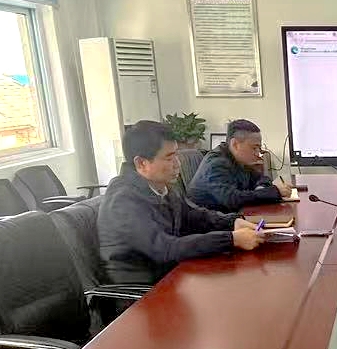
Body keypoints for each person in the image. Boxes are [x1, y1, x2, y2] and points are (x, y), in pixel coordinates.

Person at [99, 120, 265, 285]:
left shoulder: (161, 186)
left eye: (176, 155)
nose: (177, 164)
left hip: (171, 275)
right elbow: (166, 248)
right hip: (143, 291)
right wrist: (231, 239)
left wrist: (232, 222)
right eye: (169, 158)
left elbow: (193, 216)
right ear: (142, 163)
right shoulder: (123, 201)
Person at [187, 119, 294, 212]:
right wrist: (275, 191)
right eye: (254, 148)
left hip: (231, 217)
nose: (258, 153)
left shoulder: (239, 159)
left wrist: (261, 188)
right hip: (210, 224)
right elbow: (232, 200)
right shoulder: (216, 164)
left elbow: (262, 178)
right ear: (235, 144)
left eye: (259, 148)